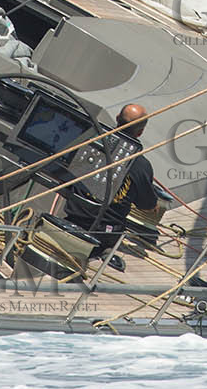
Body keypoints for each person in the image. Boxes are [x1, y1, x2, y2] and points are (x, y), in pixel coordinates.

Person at [62, 103, 159, 268]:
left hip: (74, 215)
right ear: (140, 132)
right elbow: (147, 205)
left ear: (117, 119)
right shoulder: (141, 166)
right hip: (105, 233)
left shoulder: (91, 142)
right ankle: (105, 252)